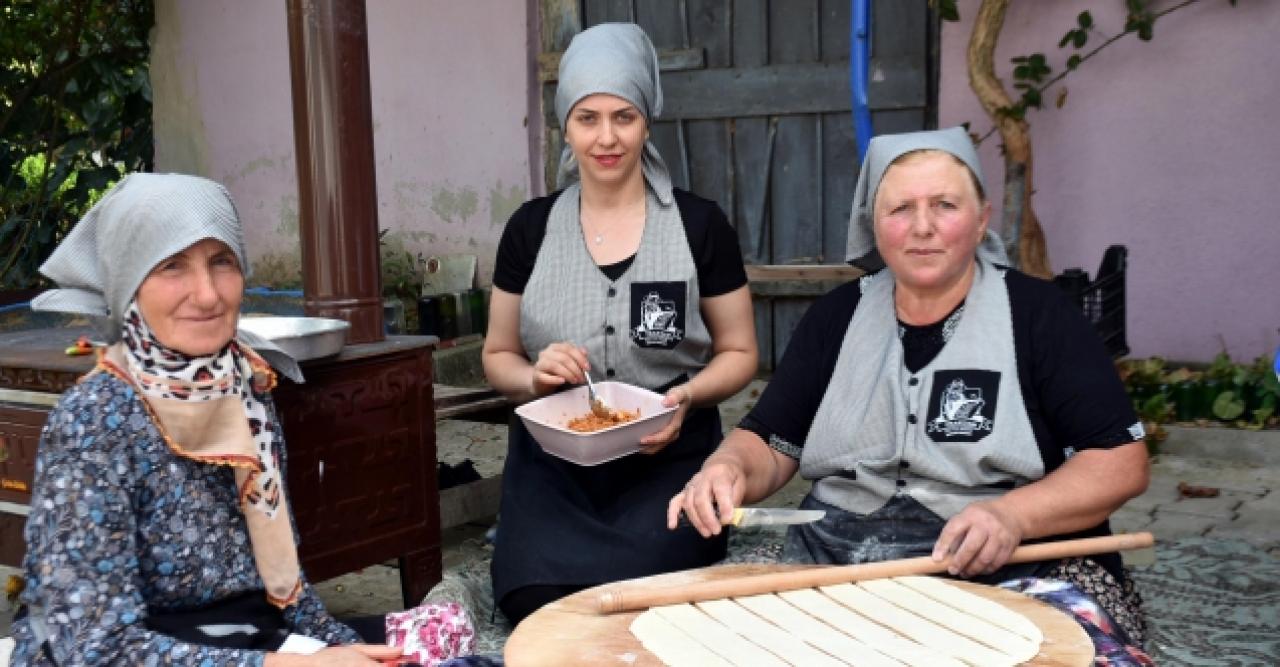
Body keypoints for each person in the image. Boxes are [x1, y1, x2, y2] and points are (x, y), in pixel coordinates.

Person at [668, 127, 1153, 663]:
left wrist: (1013, 516)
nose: (922, 227)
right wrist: (729, 467)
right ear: (873, 224)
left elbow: (1119, 461)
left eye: (944, 205)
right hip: (838, 559)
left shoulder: (1039, 316)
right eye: (900, 209)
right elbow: (771, 440)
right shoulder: (837, 316)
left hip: (1007, 565)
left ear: (982, 217)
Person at [9, 174, 472, 665]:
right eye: (171, 266)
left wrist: (338, 647)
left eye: (221, 262)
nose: (207, 294)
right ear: (128, 281)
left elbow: (282, 583)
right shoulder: (95, 418)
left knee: (445, 637)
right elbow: (92, 648)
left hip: (244, 635)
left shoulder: (245, 385)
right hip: (145, 652)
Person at [483, 23, 757, 625]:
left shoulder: (699, 226)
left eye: (623, 117)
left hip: (670, 459)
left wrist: (685, 396)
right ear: (566, 126)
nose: (606, 138)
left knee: (663, 598)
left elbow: (740, 352)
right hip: (553, 464)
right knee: (534, 597)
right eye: (587, 119)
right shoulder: (530, 230)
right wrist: (534, 378)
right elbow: (498, 354)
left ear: (647, 121)